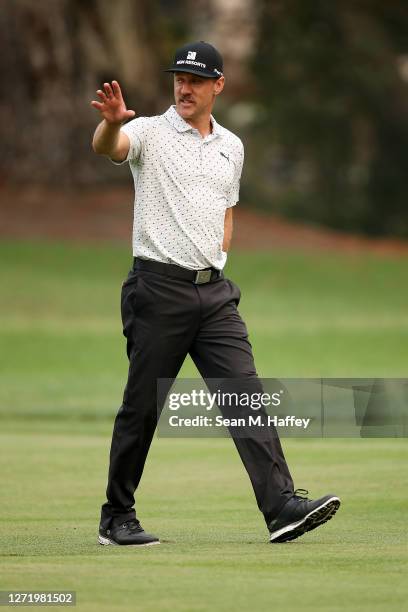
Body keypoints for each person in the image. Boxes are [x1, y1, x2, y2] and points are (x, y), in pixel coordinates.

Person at [90, 41, 340, 547]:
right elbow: (107, 148)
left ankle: (280, 507)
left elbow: (226, 212)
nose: (184, 87)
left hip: (215, 295)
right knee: (143, 406)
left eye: (196, 80)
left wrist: (215, 257)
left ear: (218, 86)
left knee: (245, 394)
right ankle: (117, 515)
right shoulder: (147, 132)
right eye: (179, 78)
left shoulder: (232, 145)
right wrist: (114, 121)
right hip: (158, 288)